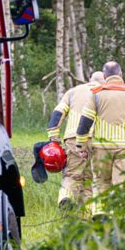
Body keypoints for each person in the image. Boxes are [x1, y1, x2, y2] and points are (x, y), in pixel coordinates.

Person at [75, 62, 125, 217]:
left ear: (104, 77)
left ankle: (100, 213)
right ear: (121, 74)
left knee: (101, 182)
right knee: (123, 185)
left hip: (101, 148)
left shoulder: (96, 93)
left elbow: (84, 123)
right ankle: (119, 219)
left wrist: (81, 147)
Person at [46, 71, 105, 210]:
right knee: (90, 178)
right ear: (106, 80)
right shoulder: (106, 92)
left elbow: (57, 115)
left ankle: (66, 197)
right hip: (98, 139)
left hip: (74, 138)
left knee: (73, 174)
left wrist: (54, 141)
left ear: (89, 79)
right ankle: (87, 212)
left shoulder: (73, 92)